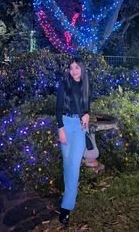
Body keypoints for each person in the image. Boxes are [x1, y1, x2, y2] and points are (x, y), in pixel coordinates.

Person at [56, 57, 90, 224]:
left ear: (82, 69)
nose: (74, 70)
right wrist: (61, 129)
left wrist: (87, 113)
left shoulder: (86, 85)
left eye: (77, 67)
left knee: (74, 165)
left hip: (80, 127)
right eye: (71, 68)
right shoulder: (65, 84)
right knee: (67, 163)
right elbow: (57, 109)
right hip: (66, 125)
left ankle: (66, 206)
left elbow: (87, 105)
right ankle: (68, 194)